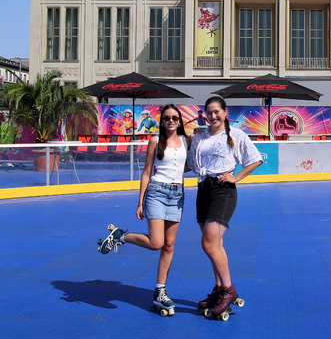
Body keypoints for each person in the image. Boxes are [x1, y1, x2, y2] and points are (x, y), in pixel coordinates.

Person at [96, 104, 188, 316]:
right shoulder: (155, 141)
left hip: (177, 194)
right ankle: (121, 236)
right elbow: (147, 171)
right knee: (157, 243)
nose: (171, 121)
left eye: (175, 117)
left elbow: (187, 164)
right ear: (161, 120)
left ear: (180, 120)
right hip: (156, 192)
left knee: (169, 245)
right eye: (166, 118)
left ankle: (160, 291)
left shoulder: (186, 141)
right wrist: (140, 201)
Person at [187, 96, 263, 321]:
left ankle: (229, 290)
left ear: (225, 112)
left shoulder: (236, 135)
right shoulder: (199, 137)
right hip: (203, 189)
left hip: (223, 190)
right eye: (209, 112)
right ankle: (219, 289)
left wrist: (236, 177)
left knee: (209, 243)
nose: (212, 116)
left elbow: (255, 159)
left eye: (216, 112)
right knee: (216, 244)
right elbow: (190, 164)